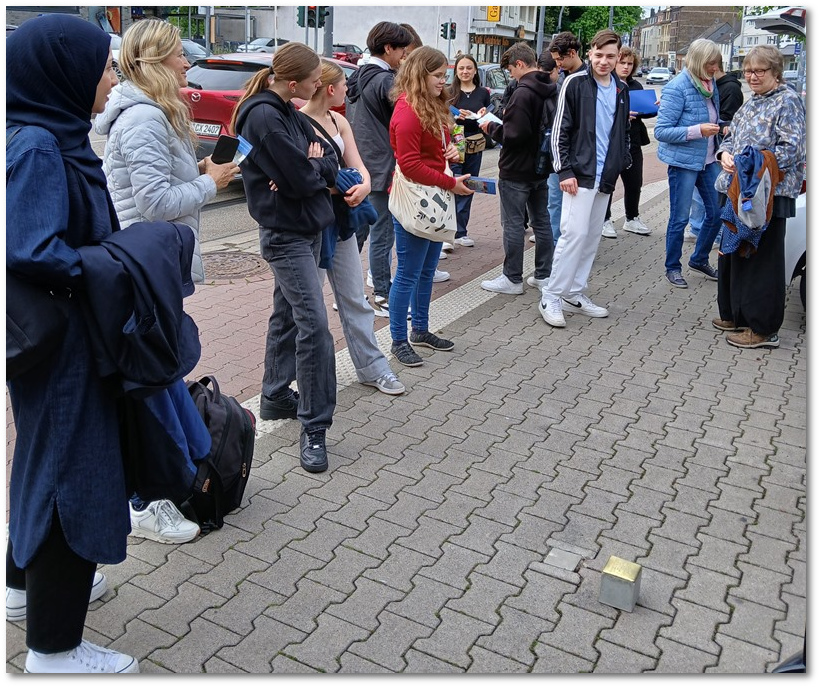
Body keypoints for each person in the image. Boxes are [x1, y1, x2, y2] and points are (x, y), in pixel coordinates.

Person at [6, 14, 139, 672]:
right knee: (67, 474)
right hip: (63, 346)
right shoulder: (37, 144)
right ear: (62, 75)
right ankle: (53, 651)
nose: (113, 79)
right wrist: (116, 261)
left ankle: (22, 589)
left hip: (63, 339)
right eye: (104, 67)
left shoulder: (51, 133)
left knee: (43, 460)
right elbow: (29, 247)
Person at [95, 17, 239, 545]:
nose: (187, 63)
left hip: (156, 267)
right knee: (148, 383)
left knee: (162, 376)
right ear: (154, 63)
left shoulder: (157, 115)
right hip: (143, 272)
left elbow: (158, 186)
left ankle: (170, 478)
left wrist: (199, 171)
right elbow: (154, 204)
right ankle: (145, 500)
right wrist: (209, 181)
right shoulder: (143, 121)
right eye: (179, 55)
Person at [232, 43, 338, 474]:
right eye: (315, 81)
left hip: (304, 227)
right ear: (294, 83)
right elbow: (298, 177)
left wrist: (310, 168)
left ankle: (275, 395)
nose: (320, 87)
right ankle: (315, 426)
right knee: (314, 325)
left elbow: (327, 155)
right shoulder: (265, 116)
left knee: (288, 316)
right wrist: (304, 171)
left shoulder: (287, 111)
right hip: (286, 234)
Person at [299, 59, 406, 395]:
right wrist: (335, 184)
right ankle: (303, 381)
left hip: (341, 220)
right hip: (311, 225)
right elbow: (299, 179)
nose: (349, 89)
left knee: (355, 298)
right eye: (344, 84)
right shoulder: (297, 122)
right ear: (329, 89)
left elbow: (360, 168)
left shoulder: (338, 119)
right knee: (308, 309)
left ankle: (373, 368)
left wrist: (360, 185)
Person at [712, 45, 806, 349]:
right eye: (748, 71)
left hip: (768, 195)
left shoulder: (787, 101)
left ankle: (763, 329)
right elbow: (732, 136)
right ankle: (737, 315)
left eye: (759, 71)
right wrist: (725, 153)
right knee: (735, 253)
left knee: (762, 261)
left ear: (775, 73)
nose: (752, 76)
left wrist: (746, 163)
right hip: (738, 190)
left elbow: (791, 150)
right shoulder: (753, 101)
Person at [387, 46, 474, 366]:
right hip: (415, 199)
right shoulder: (407, 111)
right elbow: (408, 164)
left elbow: (457, 135)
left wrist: (455, 148)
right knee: (408, 274)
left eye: (445, 75)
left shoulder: (434, 104)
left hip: (433, 198)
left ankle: (420, 330)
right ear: (420, 74)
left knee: (424, 271)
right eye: (438, 75)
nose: (444, 81)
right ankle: (398, 339)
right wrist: (452, 183)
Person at [538, 29, 631, 328]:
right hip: (579, 174)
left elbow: (621, 132)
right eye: (600, 55)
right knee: (573, 234)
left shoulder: (621, 88)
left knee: (591, 237)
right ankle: (551, 294)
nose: (605, 61)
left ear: (619, 58)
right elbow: (559, 129)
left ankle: (574, 292)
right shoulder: (575, 83)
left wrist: (620, 161)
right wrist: (564, 170)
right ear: (590, 52)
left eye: (611, 56)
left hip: (605, 174)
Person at [345, 22, 414, 317]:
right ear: (388, 48)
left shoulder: (357, 76)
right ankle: (383, 295)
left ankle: (348, 293)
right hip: (382, 167)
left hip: (358, 165)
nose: (404, 55)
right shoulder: (386, 82)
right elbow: (400, 123)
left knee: (356, 233)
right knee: (382, 234)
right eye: (401, 50)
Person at [479, 42, 556, 295]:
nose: (511, 75)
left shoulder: (523, 92)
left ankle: (512, 278)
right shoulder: (551, 87)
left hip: (516, 168)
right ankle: (543, 274)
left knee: (513, 224)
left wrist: (491, 127)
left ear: (520, 64)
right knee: (542, 222)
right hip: (540, 165)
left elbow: (514, 134)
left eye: (511, 69)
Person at [654, 38, 724, 289]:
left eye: (716, 63)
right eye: (711, 63)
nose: (715, 68)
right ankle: (672, 267)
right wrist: (697, 130)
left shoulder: (709, 83)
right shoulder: (677, 87)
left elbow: (712, 116)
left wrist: (722, 128)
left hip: (708, 160)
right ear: (698, 61)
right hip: (684, 163)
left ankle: (699, 259)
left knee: (717, 213)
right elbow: (661, 131)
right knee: (680, 218)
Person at [685, 57, 744, 243]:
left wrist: (711, 126)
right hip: (706, 147)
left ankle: (714, 234)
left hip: (717, 149)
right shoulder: (709, 85)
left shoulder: (729, 89)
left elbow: (727, 119)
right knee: (700, 195)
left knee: (713, 196)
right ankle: (697, 228)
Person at [600, 46, 655, 239]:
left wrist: (651, 108)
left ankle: (632, 218)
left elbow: (643, 113)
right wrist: (622, 115)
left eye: (630, 64)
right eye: (622, 62)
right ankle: (604, 219)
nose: (626, 67)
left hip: (633, 141)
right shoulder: (606, 84)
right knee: (608, 182)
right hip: (611, 143)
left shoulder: (635, 86)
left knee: (634, 183)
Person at [545, 31, 587, 245]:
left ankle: (572, 246)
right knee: (555, 202)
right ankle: (555, 246)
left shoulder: (588, 78)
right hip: (559, 150)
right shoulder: (561, 78)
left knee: (577, 207)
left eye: (560, 59)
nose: (558, 64)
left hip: (580, 152)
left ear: (572, 53)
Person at [448, 54, 491, 248]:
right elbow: (443, 116)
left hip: (475, 143)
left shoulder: (483, 92)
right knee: (451, 184)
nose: (465, 72)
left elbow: (488, 116)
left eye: (469, 68)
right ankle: (448, 230)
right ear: (456, 72)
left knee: (469, 184)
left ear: (475, 70)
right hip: (455, 144)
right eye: (461, 68)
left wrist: (481, 116)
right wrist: (456, 117)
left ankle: (461, 231)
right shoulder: (449, 92)